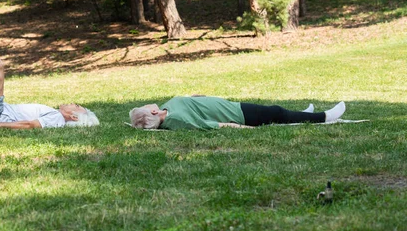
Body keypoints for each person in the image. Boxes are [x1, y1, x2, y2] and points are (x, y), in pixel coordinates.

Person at [0, 0, 99, 130]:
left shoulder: (57, 119)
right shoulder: (55, 116)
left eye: (78, 106)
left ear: (74, 116)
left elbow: (28, 125)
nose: (74, 103)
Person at [129, 95, 346, 130]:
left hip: (232, 105)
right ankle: (324, 117)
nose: (149, 104)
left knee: (278, 112)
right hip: (239, 115)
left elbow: (192, 100)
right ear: (154, 113)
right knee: (277, 112)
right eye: (148, 107)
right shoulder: (177, 120)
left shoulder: (168, 107)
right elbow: (214, 126)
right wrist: (245, 129)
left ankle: (301, 112)